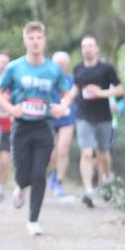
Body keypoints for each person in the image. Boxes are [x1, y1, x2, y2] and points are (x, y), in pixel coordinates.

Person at [0, 22, 73, 236]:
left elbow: (68, 93)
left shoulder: (53, 69)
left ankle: (33, 220)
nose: (35, 41)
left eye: (39, 37)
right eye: (31, 38)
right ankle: (20, 186)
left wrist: (62, 106)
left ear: (44, 41)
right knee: (22, 171)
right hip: (21, 127)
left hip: (43, 127)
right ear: (25, 41)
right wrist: (11, 108)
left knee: (39, 173)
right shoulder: (15, 67)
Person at [72, 36, 124, 208]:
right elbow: (76, 90)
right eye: (84, 46)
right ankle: (88, 190)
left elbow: (120, 89)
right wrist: (64, 103)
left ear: (97, 49)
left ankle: (107, 179)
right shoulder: (78, 69)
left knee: (103, 153)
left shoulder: (106, 68)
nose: (87, 49)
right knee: (86, 153)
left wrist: (101, 93)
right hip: (84, 117)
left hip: (103, 117)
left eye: (90, 46)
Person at [47, 51, 77, 198]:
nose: (60, 66)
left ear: (67, 65)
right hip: (50, 120)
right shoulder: (46, 81)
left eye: (63, 64)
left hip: (67, 120)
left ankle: (59, 181)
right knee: (52, 154)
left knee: (63, 149)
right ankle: (54, 173)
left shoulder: (72, 81)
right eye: (57, 63)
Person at [0, 50, 13, 203]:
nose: (2, 65)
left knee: (5, 161)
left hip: (8, 128)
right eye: (0, 62)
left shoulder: (15, 82)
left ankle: (0, 188)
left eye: (5, 63)